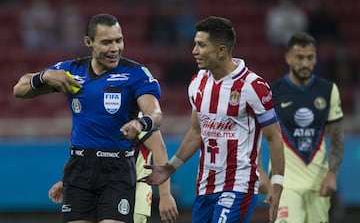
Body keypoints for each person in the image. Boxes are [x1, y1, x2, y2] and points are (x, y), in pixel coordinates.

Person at [13, 13, 173, 223]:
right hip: (79, 168)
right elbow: (19, 89)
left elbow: (156, 114)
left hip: (117, 170)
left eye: (119, 40)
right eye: (107, 42)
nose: (115, 48)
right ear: (88, 42)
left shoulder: (135, 74)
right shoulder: (72, 73)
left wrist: (139, 123)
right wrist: (43, 76)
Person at [139, 16, 285, 223]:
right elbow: (197, 132)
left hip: (239, 185)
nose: (194, 51)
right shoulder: (197, 83)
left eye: (201, 45)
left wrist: (277, 183)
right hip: (205, 185)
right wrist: (170, 168)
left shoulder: (253, 86)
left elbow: (274, 137)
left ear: (221, 50)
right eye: (194, 44)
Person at [267, 32, 344, 223]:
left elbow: (337, 136)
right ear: (288, 58)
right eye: (299, 57)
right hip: (285, 184)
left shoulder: (328, 91)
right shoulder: (273, 92)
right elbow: (252, 134)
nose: (305, 63)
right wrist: (260, 171)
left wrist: (332, 174)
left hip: (318, 184)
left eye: (310, 58)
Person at [48, 129, 178, 223]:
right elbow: (92, 156)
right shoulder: (101, 117)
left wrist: (165, 194)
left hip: (133, 197)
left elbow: (159, 149)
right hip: (101, 194)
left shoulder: (138, 115)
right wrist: (70, 182)